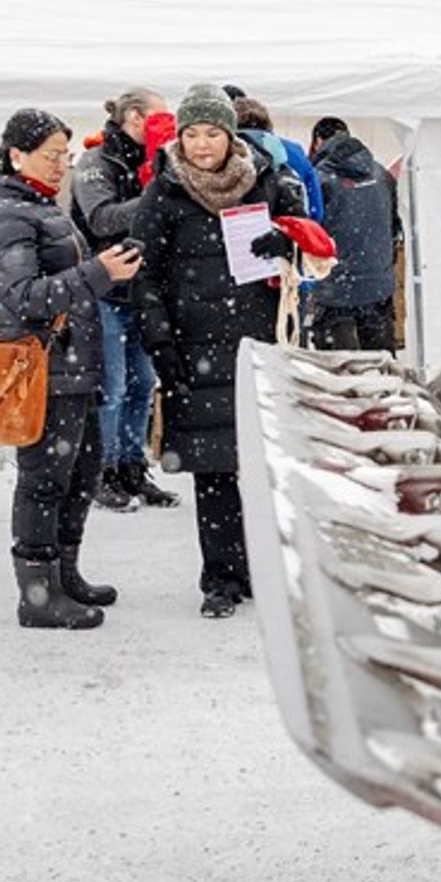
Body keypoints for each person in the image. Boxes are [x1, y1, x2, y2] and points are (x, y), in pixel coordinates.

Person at [132, 83, 308, 619]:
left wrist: (287, 245)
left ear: (230, 135)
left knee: (263, 468)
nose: (202, 144)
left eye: (212, 132)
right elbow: (146, 275)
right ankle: (221, 579)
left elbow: (315, 248)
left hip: (258, 343)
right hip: (194, 347)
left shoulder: (270, 181)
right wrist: (159, 339)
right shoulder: (163, 194)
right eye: (191, 134)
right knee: (213, 471)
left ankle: (267, 570)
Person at [0, 110, 142, 630]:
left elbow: (62, 278)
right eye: (50, 156)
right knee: (45, 479)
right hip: (41, 366)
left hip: (71, 365)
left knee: (80, 471)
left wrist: (107, 265)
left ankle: (64, 573)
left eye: (64, 157)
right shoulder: (5, 214)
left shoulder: (42, 207)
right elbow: (24, 296)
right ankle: (37, 593)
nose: (59, 167)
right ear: (16, 154)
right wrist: (98, 272)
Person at [69, 86, 176, 513]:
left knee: (142, 385)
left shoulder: (156, 159)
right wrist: (154, 195)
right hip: (107, 292)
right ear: (133, 118)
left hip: (145, 292)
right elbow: (101, 219)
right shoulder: (97, 163)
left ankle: (133, 466)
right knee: (111, 388)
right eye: (156, 118)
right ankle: (102, 470)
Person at [307, 118, 403, 351]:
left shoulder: (318, 179)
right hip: (378, 286)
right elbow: (394, 226)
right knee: (382, 366)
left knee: (339, 371)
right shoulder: (381, 173)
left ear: (318, 141)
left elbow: (310, 234)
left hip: (334, 290)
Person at [229, 93, 324, 221]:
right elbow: (315, 209)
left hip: (235, 230)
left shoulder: (224, 151)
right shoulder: (293, 151)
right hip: (290, 229)